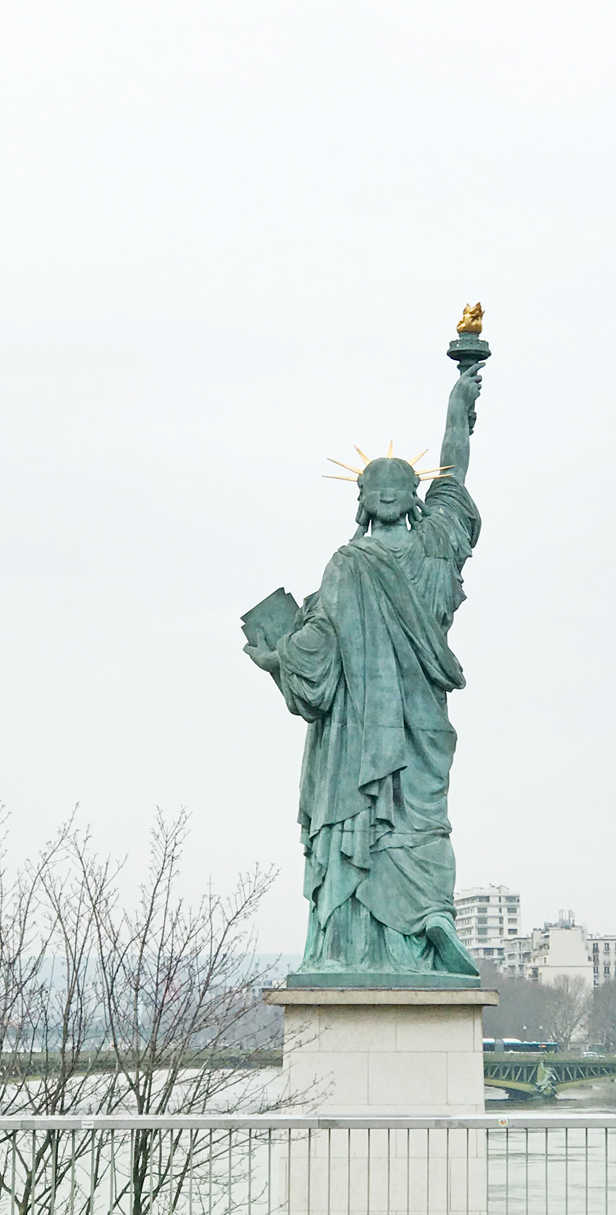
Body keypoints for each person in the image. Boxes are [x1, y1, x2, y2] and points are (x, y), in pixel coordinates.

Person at [244, 360, 485, 983]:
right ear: (414, 499)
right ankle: (429, 919)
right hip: (421, 730)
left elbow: (313, 665)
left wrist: (274, 657)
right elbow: (454, 475)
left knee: (363, 822)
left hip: (357, 746)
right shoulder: (436, 548)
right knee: (422, 823)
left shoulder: (346, 567)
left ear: (363, 503)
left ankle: (351, 947)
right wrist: (459, 406)